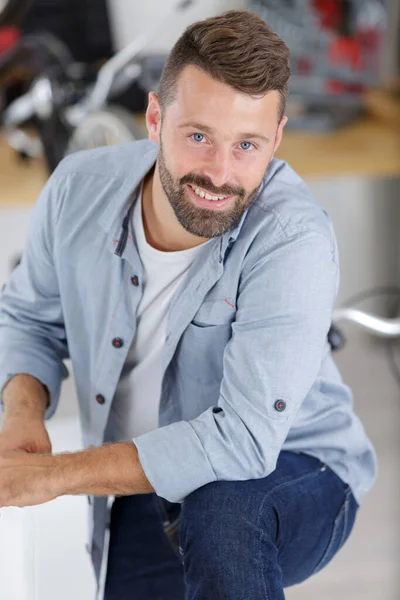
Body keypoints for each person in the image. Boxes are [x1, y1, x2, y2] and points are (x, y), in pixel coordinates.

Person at [0, 9, 377, 600]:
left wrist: (54, 476)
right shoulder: (77, 189)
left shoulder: (293, 239)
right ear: (155, 118)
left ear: (276, 141)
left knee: (223, 511)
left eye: (247, 145)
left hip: (296, 467)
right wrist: (23, 414)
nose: (220, 174)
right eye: (198, 136)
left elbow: (244, 442)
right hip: (144, 478)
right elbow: (26, 317)